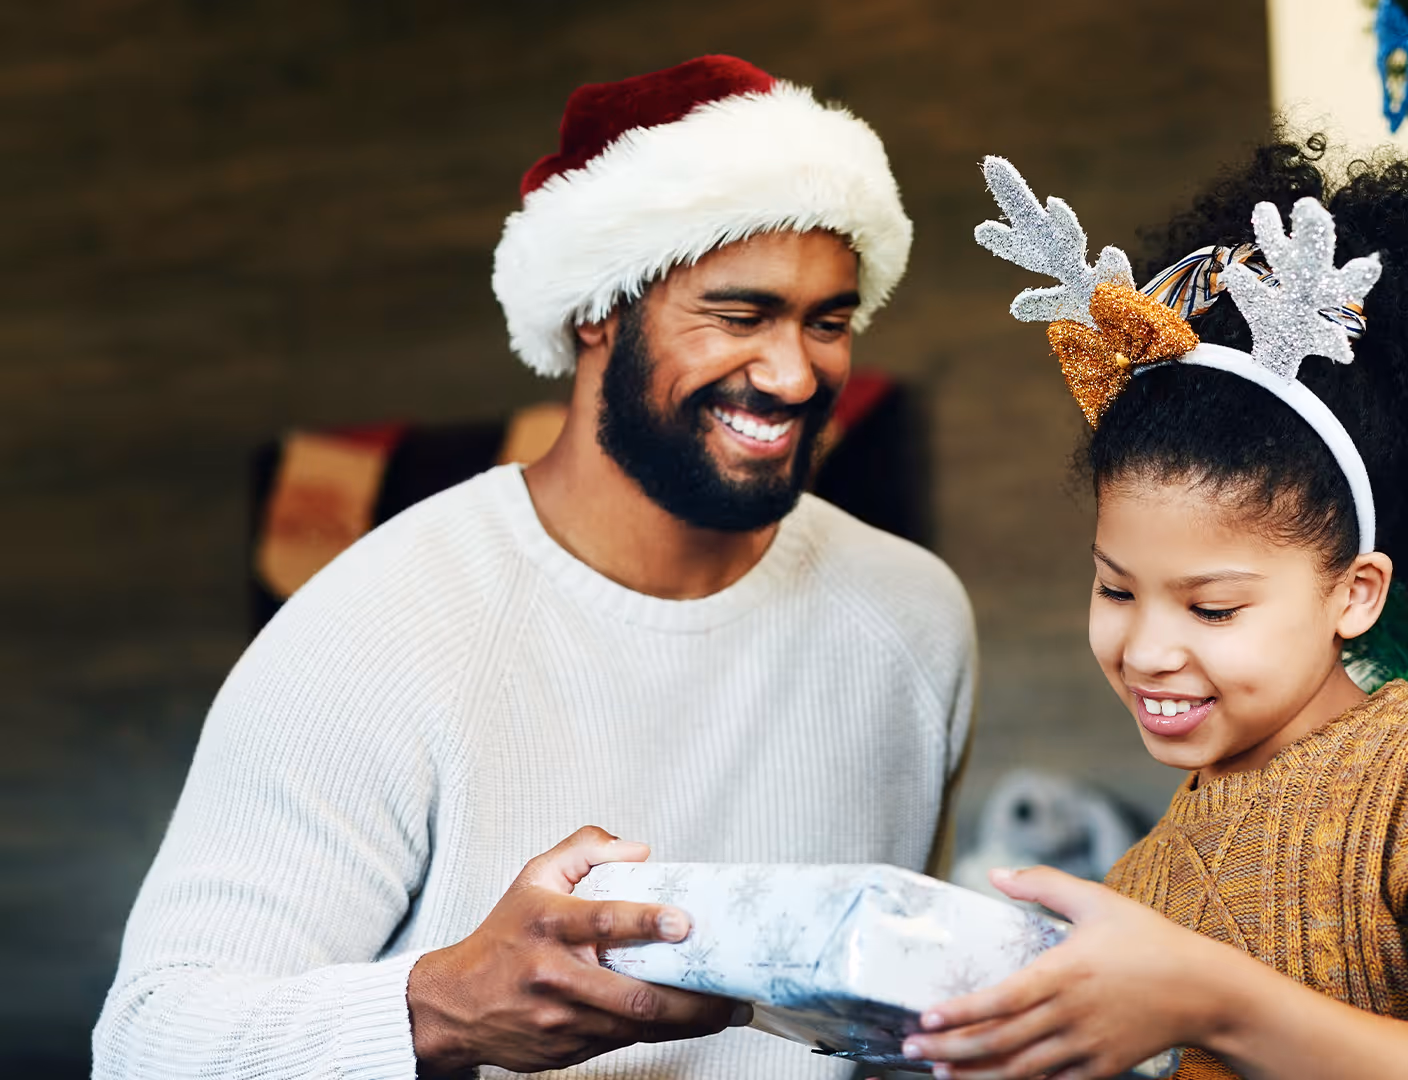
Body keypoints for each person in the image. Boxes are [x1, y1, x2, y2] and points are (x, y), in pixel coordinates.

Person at [94, 55, 976, 1079]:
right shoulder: (373, 626)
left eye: (828, 321)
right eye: (740, 316)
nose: (794, 372)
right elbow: (149, 1044)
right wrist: (441, 1011)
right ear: (599, 309)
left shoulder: (913, 618)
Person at [903, 141, 1408, 1079]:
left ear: (1353, 593)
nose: (1148, 650)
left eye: (1212, 610)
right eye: (1116, 589)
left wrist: (1215, 1001)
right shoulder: (1141, 882)